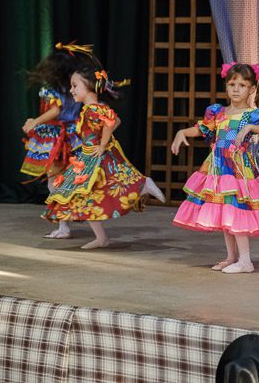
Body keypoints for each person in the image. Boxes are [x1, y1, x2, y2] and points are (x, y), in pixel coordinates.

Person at [43, 63, 165, 248]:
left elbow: (110, 123)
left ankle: (143, 185)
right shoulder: (93, 108)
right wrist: (100, 140)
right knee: (87, 199)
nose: (71, 90)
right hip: (88, 155)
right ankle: (101, 238)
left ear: (89, 86)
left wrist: (101, 144)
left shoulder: (93, 109)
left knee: (89, 196)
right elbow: (116, 120)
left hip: (94, 157)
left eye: (75, 86)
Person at [172, 63, 259, 274]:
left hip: (238, 170)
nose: (236, 89)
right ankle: (231, 257)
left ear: (252, 89)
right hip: (218, 169)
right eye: (232, 84)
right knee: (225, 212)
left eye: (242, 85)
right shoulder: (218, 112)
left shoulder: (252, 114)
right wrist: (182, 132)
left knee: (235, 210)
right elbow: (202, 129)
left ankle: (246, 261)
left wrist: (250, 127)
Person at [21, 43, 94, 238]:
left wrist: (35, 121)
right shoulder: (72, 88)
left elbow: (55, 111)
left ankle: (64, 225)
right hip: (74, 135)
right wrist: (36, 120)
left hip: (58, 138)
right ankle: (71, 218)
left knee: (55, 182)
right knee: (68, 179)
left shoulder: (52, 89)